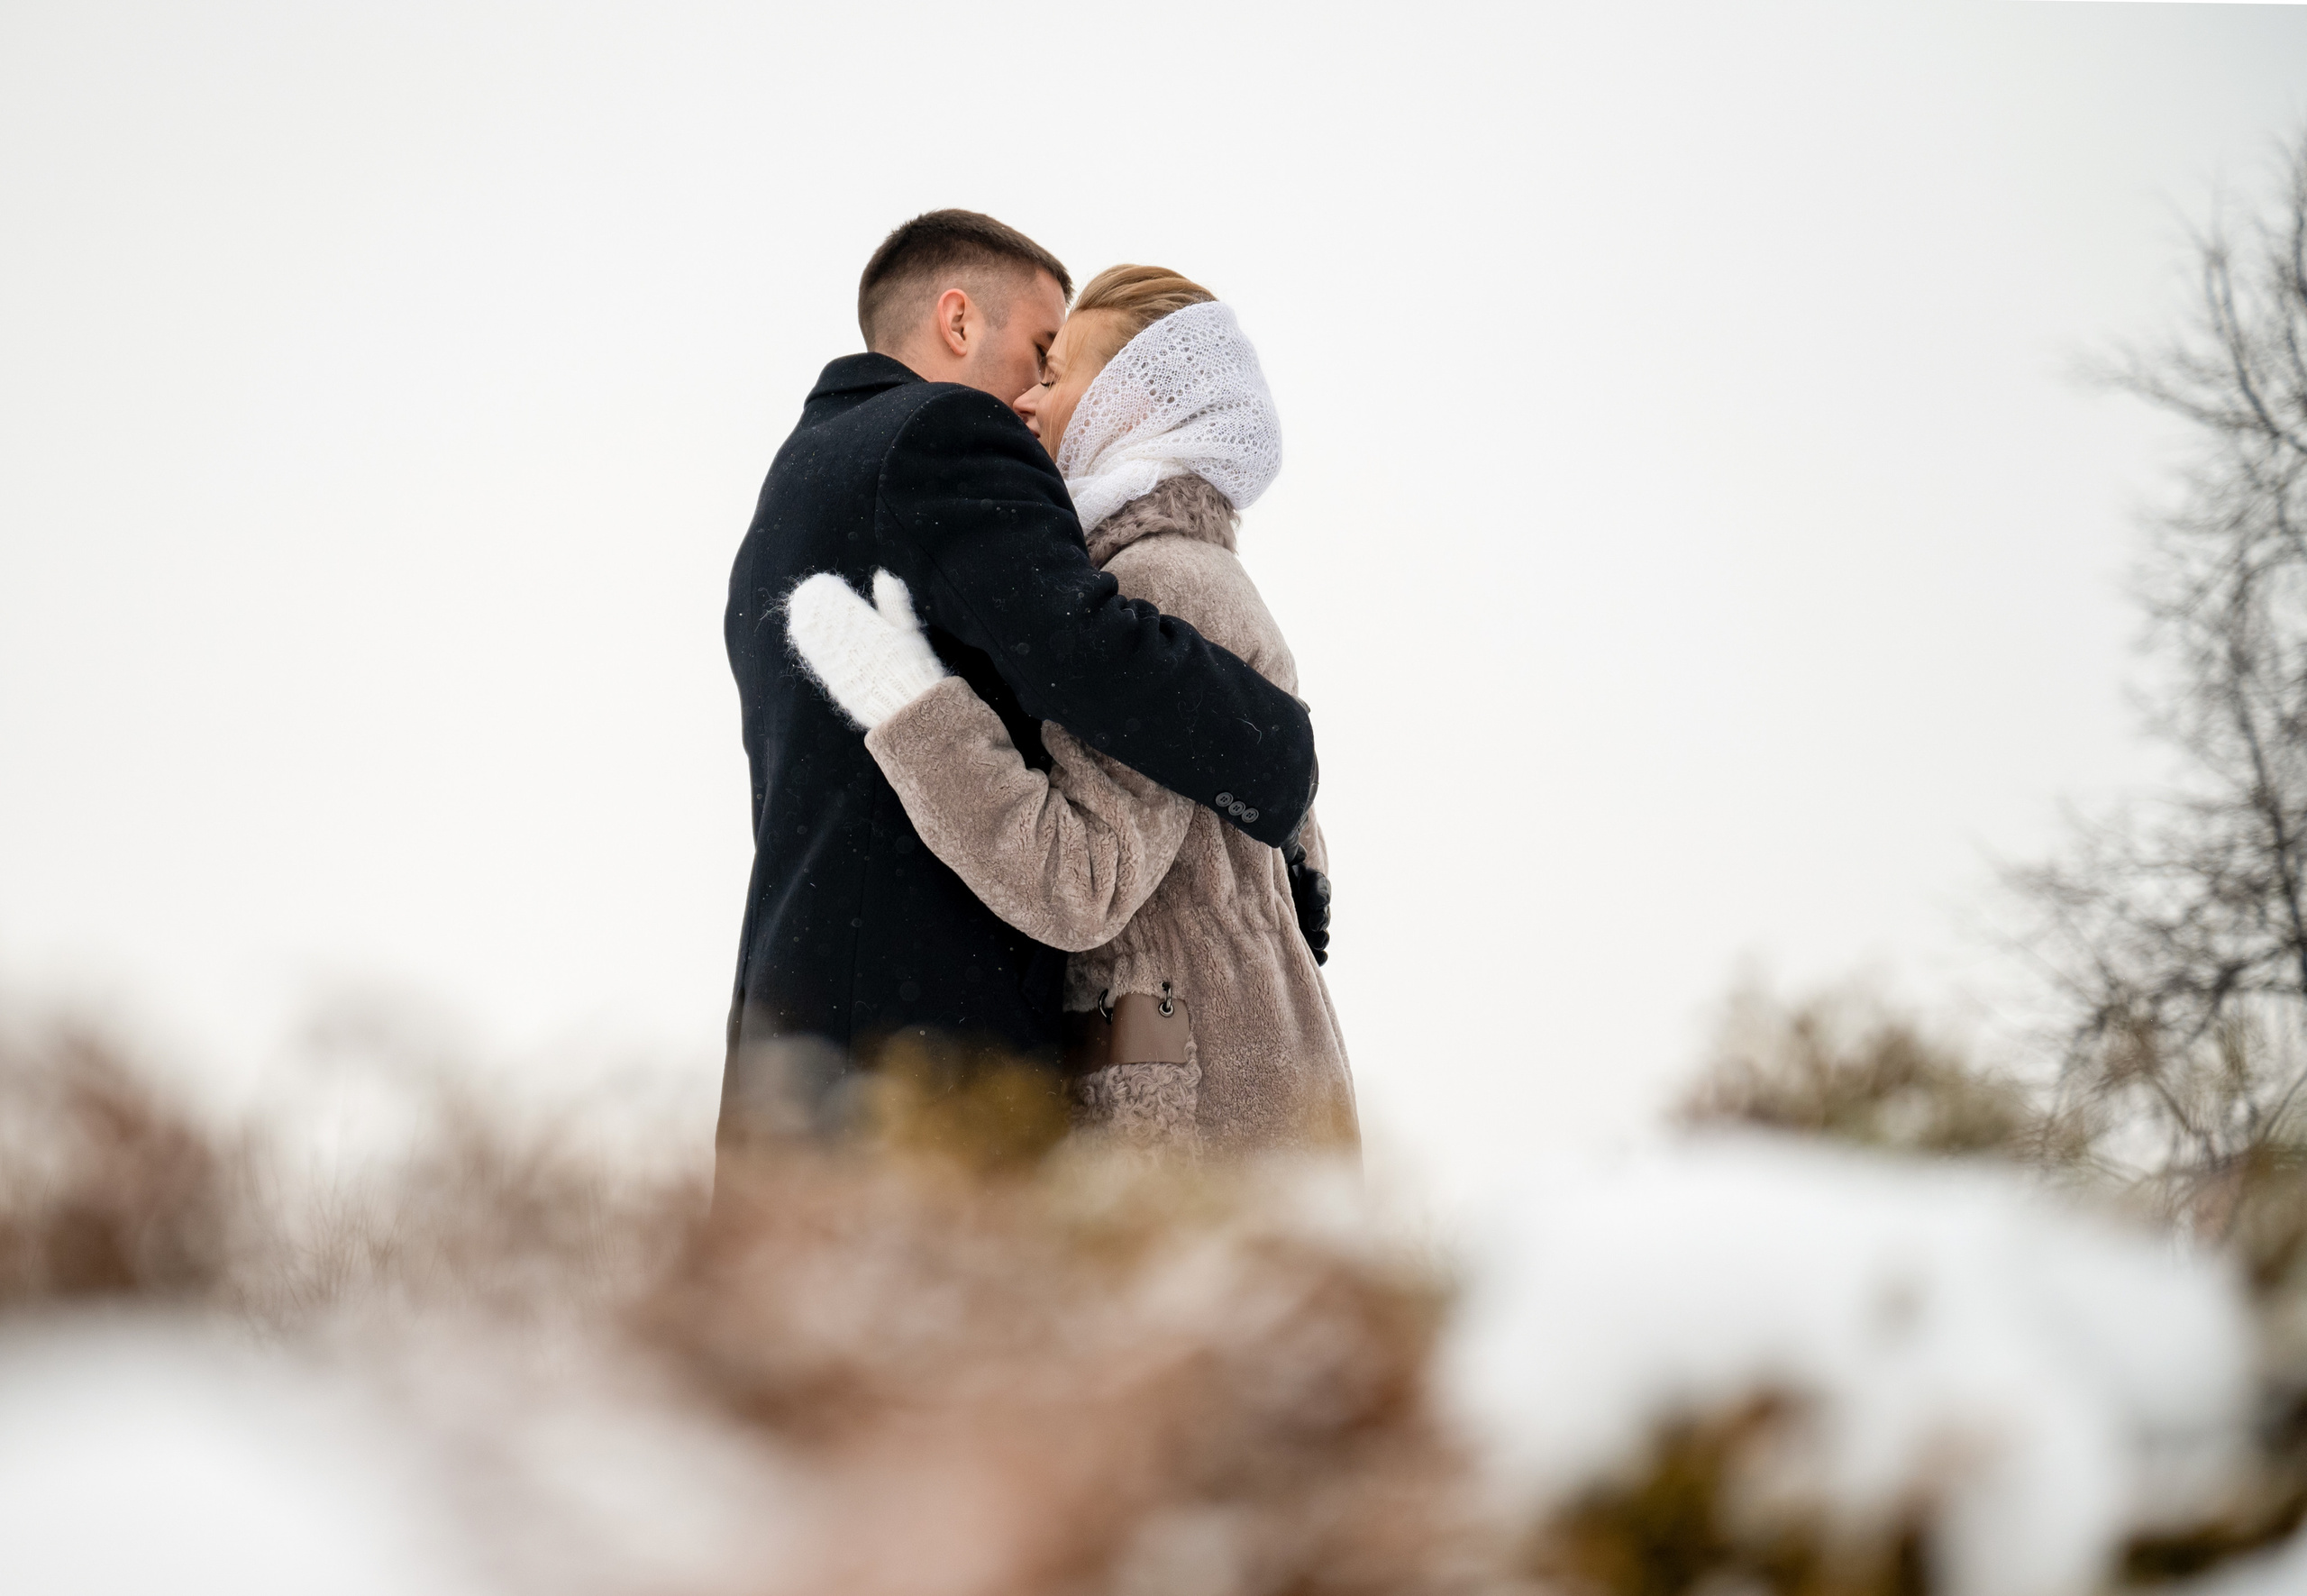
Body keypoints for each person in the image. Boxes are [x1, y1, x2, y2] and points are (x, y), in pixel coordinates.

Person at [720, 214, 1321, 1145]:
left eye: (1058, 371)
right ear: (958, 324)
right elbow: (1091, 654)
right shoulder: (944, 431)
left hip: (794, 1046)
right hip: (926, 1053)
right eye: (1040, 354)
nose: (1034, 403)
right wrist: (1282, 755)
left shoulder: (790, 490)